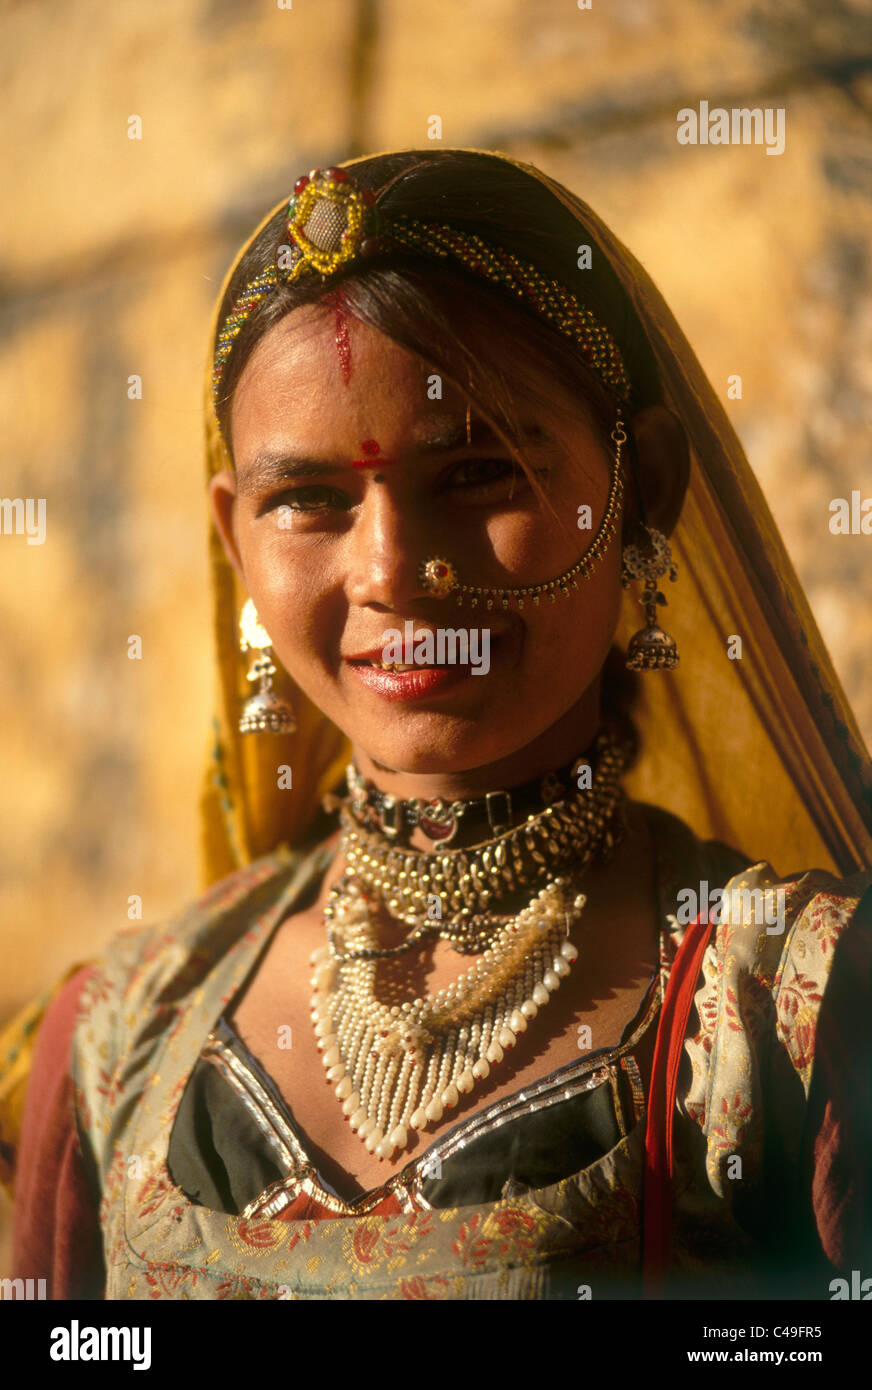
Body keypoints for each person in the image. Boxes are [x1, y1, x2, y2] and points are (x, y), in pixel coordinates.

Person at [4, 148, 871, 1301]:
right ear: (234, 539)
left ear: (641, 488)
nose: (391, 573)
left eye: (477, 470)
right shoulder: (117, 1035)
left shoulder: (788, 1015)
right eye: (305, 500)